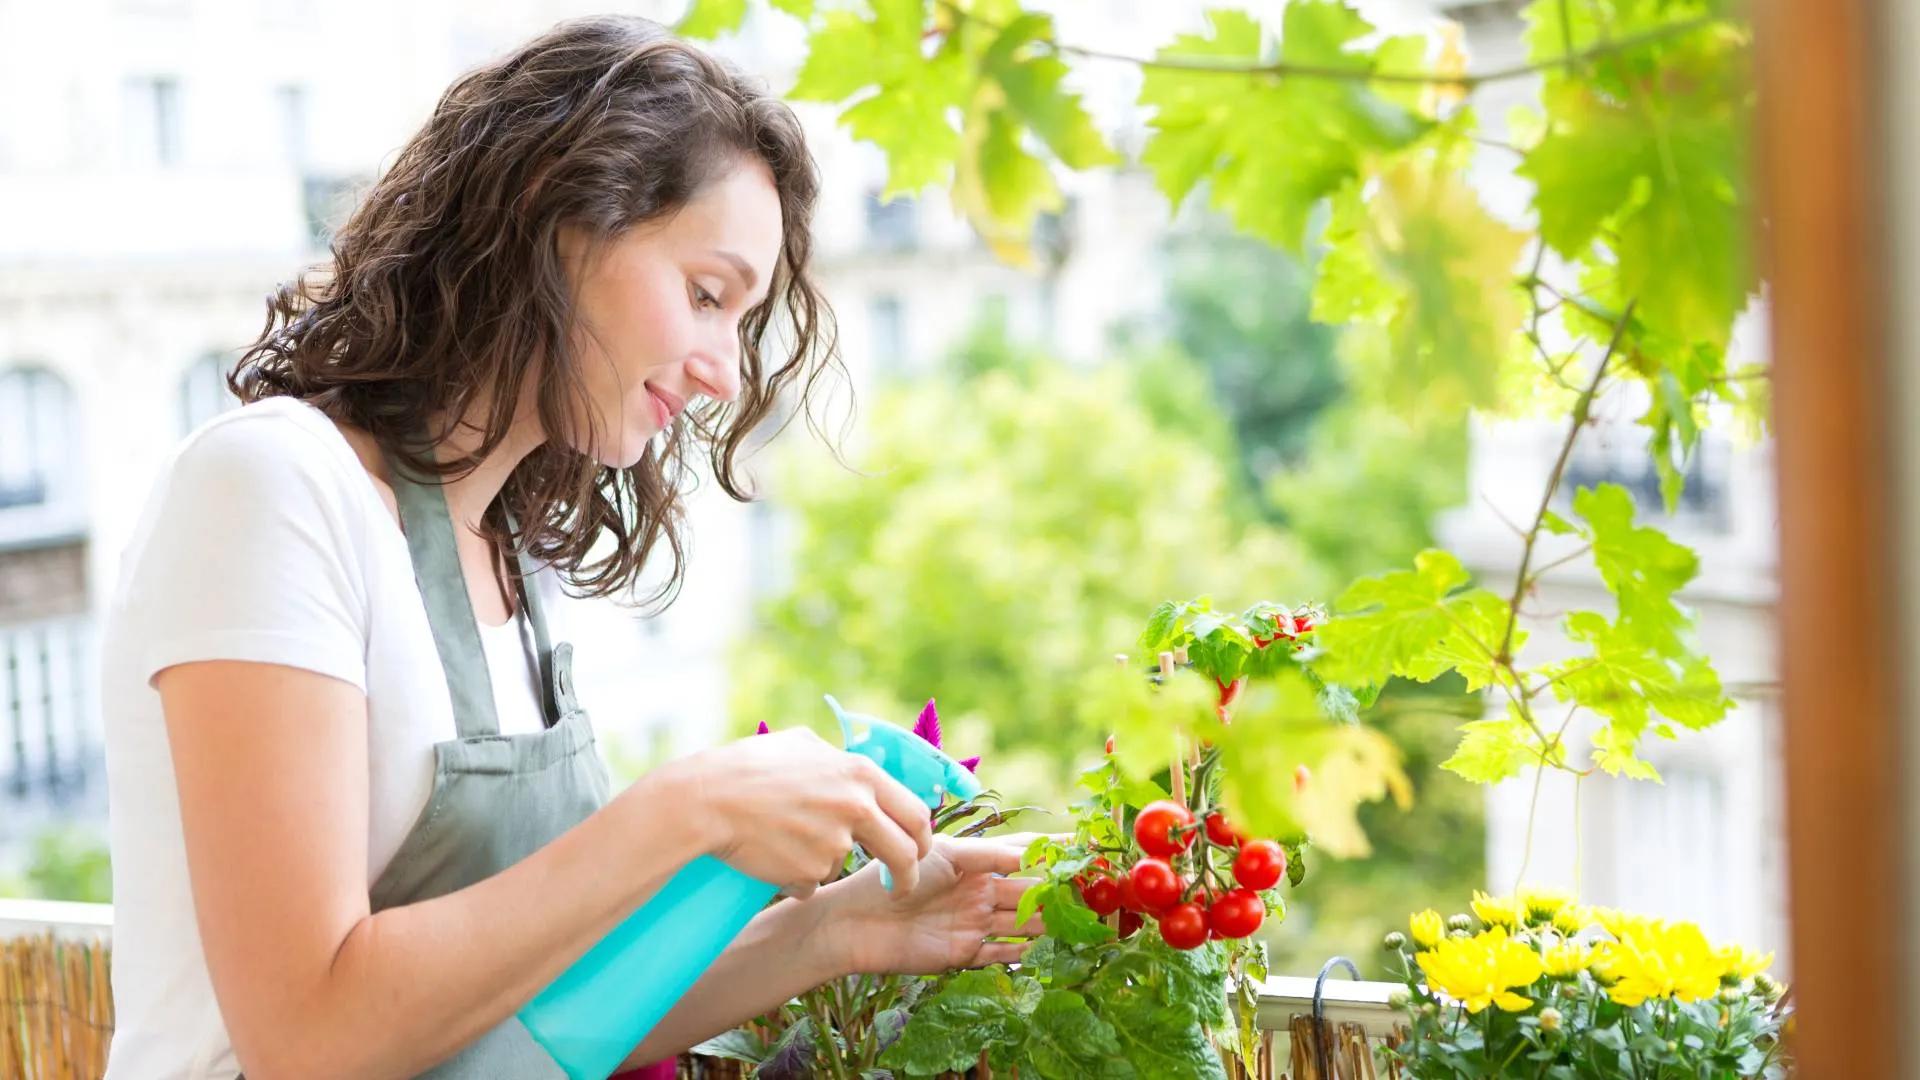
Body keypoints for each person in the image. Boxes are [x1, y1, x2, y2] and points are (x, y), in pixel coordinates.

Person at [98, 15, 1040, 1080]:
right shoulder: (272, 487)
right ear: (560, 224)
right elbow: (310, 1036)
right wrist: (687, 812)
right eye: (705, 295)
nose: (725, 372)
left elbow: (542, 1022)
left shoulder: (508, 556)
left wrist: (833, 934)